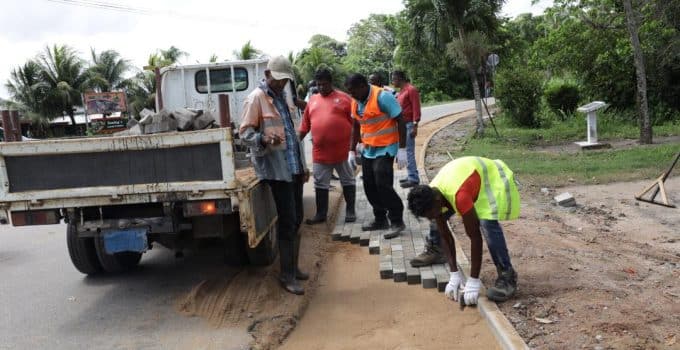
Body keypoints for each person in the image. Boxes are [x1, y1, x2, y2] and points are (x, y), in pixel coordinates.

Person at [239, 56, 310, 295]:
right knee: (287, 220)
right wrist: (263, 138)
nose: (280, 84)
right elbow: (245, 134)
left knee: (297, 217)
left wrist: (303, 165)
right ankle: (287, 275)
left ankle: (293, 267)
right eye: (277, 80)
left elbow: (292, 134)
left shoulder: (285, 97)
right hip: (276, 170)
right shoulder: (256, 99)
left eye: (284, 80)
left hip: (293, 168)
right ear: (268, 74)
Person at [407, 156, 520, 305]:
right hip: (465, 178)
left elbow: (475, 238)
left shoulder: (460, 196)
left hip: (491, 179)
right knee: (437, 224)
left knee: (487, 224)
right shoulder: (432, 193)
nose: (431, 217)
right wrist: (454, 274)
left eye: (432, 214)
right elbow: (445, 235)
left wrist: (473, 281)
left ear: (437, 200)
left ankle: (507, 276)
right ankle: (437, 251)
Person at [345, 73, 407, 239]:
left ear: (363, 86)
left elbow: (401, 120)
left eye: (353, 91)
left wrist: (402, 149)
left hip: (387, 146)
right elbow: (355, 127)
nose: (351, 95)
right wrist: (351, 150)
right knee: (369, 185)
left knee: (382, 182)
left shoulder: (383, 97)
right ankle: (380, 218)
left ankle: (397, 220)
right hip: (368, 149)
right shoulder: (355, 102)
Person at [298, 68, 356, 224]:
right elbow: (304, 127)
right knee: (320, 183)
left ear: (331, 83)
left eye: (324, 84)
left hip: (342, 152)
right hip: (320, 153)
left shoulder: (345, 99)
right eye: (319, 85)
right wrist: (295, 143)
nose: (322, 88)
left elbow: (356, 124)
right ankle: (321, 214)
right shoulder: (313, 100)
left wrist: (355, 147)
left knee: (348, 180)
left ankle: (350, 211)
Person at [391, 70, 421, 189]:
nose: (393, 82)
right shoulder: (401, 91)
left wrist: (415, 125)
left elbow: (416, 108)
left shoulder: (411, 90)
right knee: (404, 151)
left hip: (409, 125)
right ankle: (410, 175)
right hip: (402, 126)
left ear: (400, 78)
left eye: (394, 79)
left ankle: (413, 178)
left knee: (408, 152)